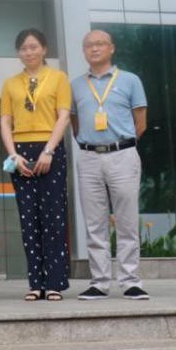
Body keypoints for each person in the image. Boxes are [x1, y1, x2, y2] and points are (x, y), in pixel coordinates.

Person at [71, 30, 150, 301]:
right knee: (94, 223)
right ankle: (100, 282)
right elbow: (74, 124)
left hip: (122, 154)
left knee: (127, 221)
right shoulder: (76, 85)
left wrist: (119, 143)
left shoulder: (130, 80)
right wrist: (93, 143)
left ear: (111, 48)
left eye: (100, 44)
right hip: (89, 157)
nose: (94, 48)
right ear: (84, 51)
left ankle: (130, 282)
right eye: (88, 45)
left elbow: (141, 122)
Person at [0, 29, 72, 302]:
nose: (28, 52)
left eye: (33, 47)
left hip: (50, 149)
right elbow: (5, 121)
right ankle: (35, 283)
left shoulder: (58, 78)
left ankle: (55, 282)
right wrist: (13, 155)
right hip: (21, 151)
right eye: (23, 48)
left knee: (53, 217)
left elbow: (63, 116)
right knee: (28, 219)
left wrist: (49, 150)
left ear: (44, 49)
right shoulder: (10, 84)